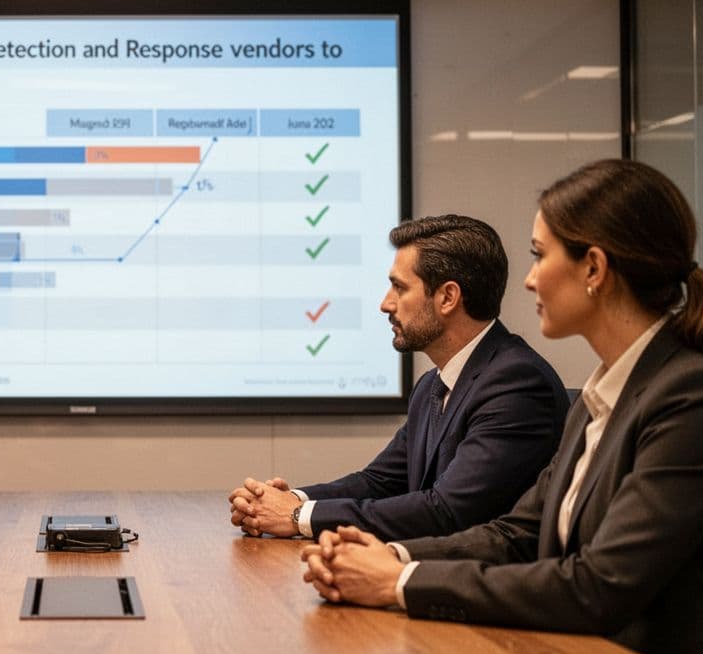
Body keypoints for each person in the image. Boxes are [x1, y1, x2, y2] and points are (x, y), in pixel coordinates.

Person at [303, 159, 703, 654]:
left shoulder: (694, 398)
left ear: (594, 269)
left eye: (540, 256)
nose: (527, 280)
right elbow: (517, 534)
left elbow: (599, 585)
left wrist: (399, 582)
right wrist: (393, 556)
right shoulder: (601, 397)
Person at [230, 215, 568, 541]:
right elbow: (379, 481)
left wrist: (296, 517)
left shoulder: (516, 384)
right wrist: (291, 500)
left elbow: (447, 512)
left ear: (448, 297)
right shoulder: (432, 385)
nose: (385, 304)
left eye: (399, 287)